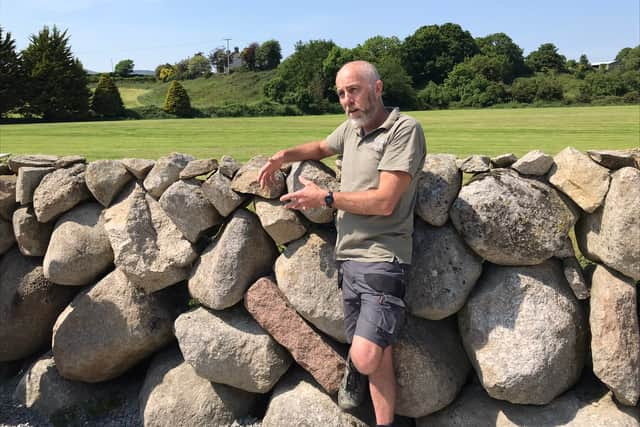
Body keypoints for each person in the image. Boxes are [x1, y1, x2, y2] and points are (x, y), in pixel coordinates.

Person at [258, 60, 426, 427]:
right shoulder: (352, 129)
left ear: (377, 88)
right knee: (379, 357)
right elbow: (320, 146)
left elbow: (385, 201)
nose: (347, 100)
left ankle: (355, 366)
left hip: (384, 259)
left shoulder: (404, 129)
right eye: (340, 93)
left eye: (354, 90)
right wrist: (284, 156)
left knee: (365, 357)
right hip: (347, 261)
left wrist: (328, 198)